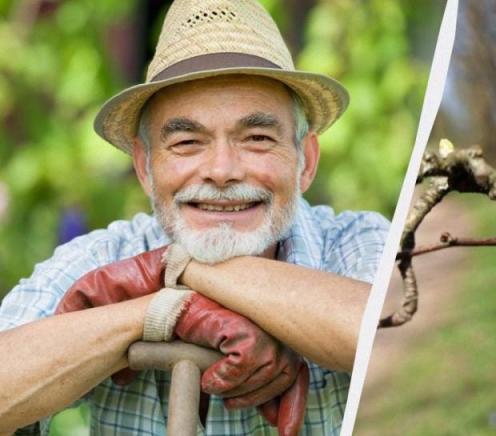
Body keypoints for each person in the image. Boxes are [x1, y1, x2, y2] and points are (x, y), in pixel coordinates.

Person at [0, 0, 389, 435]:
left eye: (257, 138)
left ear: (305, 161)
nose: (221, 171)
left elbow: (392, 333)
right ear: (145, 167)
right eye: (187, 142)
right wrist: (159, 310)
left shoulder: (358, 240)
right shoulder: (106, 253)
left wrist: (181, 268)